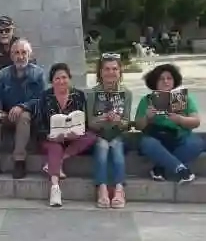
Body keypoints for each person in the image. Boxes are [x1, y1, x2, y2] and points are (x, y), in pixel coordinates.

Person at [33, 63, 96, 207]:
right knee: (55, 147)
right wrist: (50, 136)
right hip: (51, 138)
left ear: (69, 78)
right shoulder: (44, 96)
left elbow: (84, 122)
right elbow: (38, 124)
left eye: (64, 77)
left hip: (73, 138)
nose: (61, 81)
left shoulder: (79, 95)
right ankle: (55, 188)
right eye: (57, 78)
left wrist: (76, 133)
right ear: (52, 81)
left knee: (91, 136)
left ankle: (57, 162)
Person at [0, 40, 45, 180]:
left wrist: (22, 107)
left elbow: (40, 99)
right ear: (11, 56)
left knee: (23, 116)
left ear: (29, 54)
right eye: (16, 53)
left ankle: (19, 161)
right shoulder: (3, 73)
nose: (20, 56)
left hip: (29, 115)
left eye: (24, 53)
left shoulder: (38, 73)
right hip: (7, 114)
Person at [135, 63, 203, 183]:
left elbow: (196, 121)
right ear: (155, 82)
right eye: (161, 79)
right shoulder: (146, 100)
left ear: (174, 80)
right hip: (157, 138)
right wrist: (147, 118)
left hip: (179, 138)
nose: (166, 81)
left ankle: (161, 167)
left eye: (169, 78)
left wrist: (180, 119)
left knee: (197, 143)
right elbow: (138, 126)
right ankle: (181, 170)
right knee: (147, 143)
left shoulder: (182, 98)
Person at [87, 54, 132, 208]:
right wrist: (102, 119)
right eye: (106, 69)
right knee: (102, 148)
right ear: (100, 72)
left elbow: (126, 123)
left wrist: (118, 121)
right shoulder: (92, 94)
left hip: (118, 134)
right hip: (99, 134)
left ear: (120, 72)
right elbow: (90, 123)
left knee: (117, 150)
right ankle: (102, 188)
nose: (111, 72)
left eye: (114, 69)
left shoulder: (126, 93)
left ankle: (119, 189)